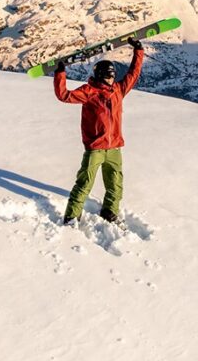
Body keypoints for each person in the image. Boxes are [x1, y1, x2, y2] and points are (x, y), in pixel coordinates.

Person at [52, 40, 144, 224]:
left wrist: (138, 51)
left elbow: (133, 74)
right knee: (84, 183)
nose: (111, 78)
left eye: (113, 75)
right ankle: (72, 215)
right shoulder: (89, 91)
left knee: (115, 185)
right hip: (95, 148)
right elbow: (64, 96)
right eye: (108, 75)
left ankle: (110, 212)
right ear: (100, 75)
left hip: (114, 148)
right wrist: (60, 73)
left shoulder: (118, 90)